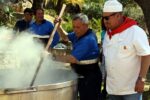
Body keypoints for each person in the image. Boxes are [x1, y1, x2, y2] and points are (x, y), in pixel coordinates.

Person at [102, 0, 150, 100]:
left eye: (107, 18)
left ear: (118, 15)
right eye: (103, 18)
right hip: (112, 89)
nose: (104, 21)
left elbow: (146, 55)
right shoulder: (107, 34)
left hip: (131, 89)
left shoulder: (135, 31)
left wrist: (142, 79)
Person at [54, 13, 102, 100]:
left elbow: (72, 59)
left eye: (78, 27)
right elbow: (65, 38)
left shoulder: (88, 39)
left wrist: (52, 57)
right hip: (81, 75)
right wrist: (58, 27)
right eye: (74, 27)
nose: (75, 30)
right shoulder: (78, 34)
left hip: (90, 78)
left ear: (86, 26)